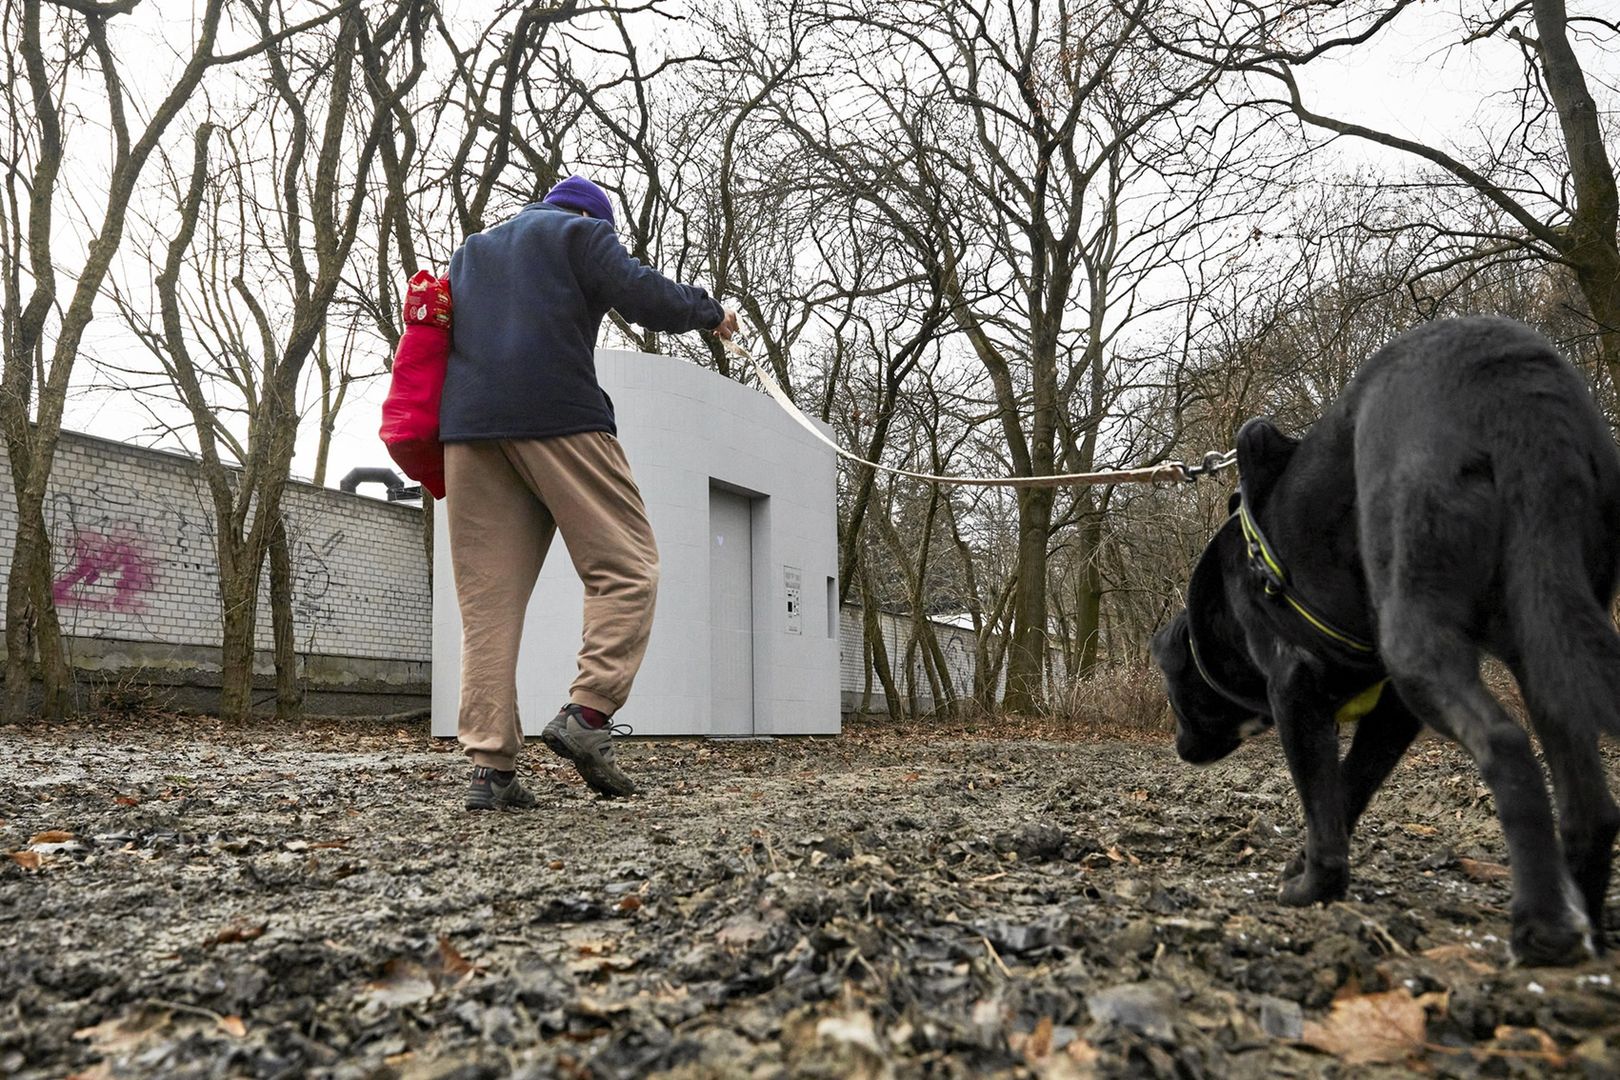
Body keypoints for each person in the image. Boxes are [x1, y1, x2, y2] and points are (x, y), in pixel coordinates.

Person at [440, 173, 738, 808]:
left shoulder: (473, 250)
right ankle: (588, 715)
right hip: (560, 417)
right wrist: (710, 312)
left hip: (467, 431)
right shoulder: (580, 234)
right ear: (595, 219)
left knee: (488, 603)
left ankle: (490, 772)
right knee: (628, 568)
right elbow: (639, 292)